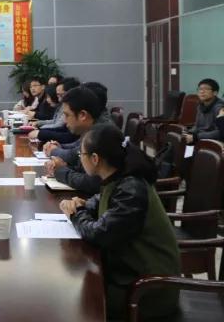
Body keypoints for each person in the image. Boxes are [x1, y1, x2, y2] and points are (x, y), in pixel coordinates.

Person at [60, 124, 179, 320]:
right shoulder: (117, 176)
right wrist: (83, 205)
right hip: (129, 273)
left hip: (147, 290)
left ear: (95, 159)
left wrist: (76, 214)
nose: (80, 158)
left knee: (76, 302)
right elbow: (100, 201)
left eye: (81, 154)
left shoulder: (131, 187)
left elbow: (99, 235)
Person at [44, 86, 106, 195]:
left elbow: (93, 183)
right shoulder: (91, 130)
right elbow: (79, 163)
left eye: (67, 115)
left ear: (82, 115)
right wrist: (61, 165)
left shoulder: (101, 136)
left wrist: (61, 171)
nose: (64, 120)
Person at [28, 77, 80, 142]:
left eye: (62, 95)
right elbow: (55, 121)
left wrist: (40, 131)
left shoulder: (73, 109)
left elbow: (62, 129)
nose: (59, 99)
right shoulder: (62, 106)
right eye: (58, 95)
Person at [185, 78, 224, 144]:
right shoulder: (200, 106)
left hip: (214, 141)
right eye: (200, 89)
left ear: (215, 93)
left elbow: (220, 132)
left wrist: (196, 137)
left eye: (206, 89)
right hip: (201, 138)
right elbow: (197, 126)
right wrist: (189, 133)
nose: (202, 91)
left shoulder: (219, 108)